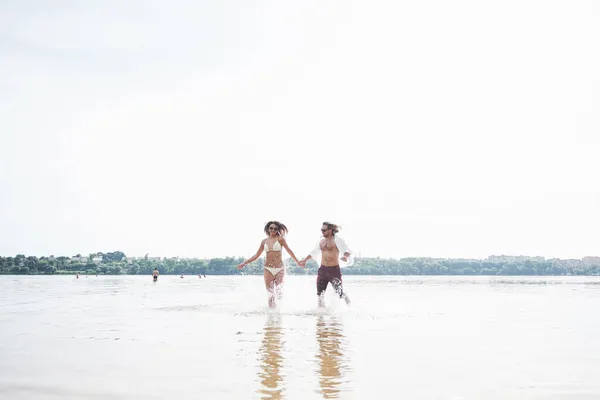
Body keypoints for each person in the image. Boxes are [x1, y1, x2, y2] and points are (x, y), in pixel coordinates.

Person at [237, 221, 301, 308]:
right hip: (268, 269)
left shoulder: (281, 239)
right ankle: (271, 315)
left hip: (279, 268)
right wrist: (244, 263)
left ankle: (279, 312)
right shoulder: (264, 242)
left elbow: (289, 251)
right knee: (270, 293)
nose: (273, 230)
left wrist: (297, 261)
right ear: (268, 229)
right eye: (271, 228)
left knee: (279, 292)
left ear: (277, 229)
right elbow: (256, 255)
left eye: (275, 228)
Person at [299, 222, 353, 307]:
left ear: (331, 230)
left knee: (339, 293)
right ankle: (321, 316)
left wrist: (345, 257)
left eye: (324, 230)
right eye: (321, 230)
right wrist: (305, 260)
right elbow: (314, 252)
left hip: (334, 270)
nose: (322, 232)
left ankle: (349, 305)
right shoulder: (321, 241)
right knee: (320, 295)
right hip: (322, 270)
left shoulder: (338, 240)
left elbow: (347, 251)